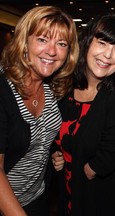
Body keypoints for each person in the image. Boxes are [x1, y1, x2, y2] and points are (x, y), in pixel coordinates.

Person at [51, 14, 115, 215]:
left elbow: (111, 150)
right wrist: (56, 152)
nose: (108, 55)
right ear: (87, 43)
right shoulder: (65, 85)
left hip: (102, 195)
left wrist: (89, 168)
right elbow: (54, 132)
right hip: (68, 190)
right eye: (102, 43)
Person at [0, 6, 79, 216]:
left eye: (61, 44)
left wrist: (53, 150)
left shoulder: (53, 86)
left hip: (37, 197)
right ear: (24, 42)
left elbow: (39, 132)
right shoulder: (3, 90)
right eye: (43, 39)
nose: (52, 51)